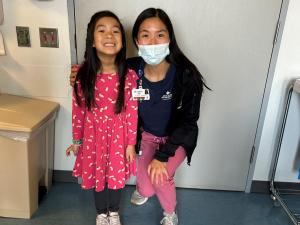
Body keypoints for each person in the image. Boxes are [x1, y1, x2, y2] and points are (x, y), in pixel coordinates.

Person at [70, 8, 207, 225]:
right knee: (145, 186)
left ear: (170, 38)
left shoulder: (187, 75)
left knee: (160, 176)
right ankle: (145, 189)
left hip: (176, 140)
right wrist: (80, 71)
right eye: (145, 35)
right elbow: (105, 66)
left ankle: (170, 213)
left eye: (160, 34)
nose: (153, 42)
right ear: (136, 40)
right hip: (148, 138)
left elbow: (189, 123)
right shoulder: (132, 70)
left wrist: (163, 157)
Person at [66, 10, 138, 225]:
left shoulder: (130, 76)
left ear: (122, 43)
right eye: (102, 30)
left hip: (119, 138)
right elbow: (78, 111)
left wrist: (130, 144)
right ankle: (101, 213)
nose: (109, 35)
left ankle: (113, 212)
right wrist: (77, 141)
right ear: (93, 42)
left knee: (115, 178)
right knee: (97, 176)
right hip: (92, 138)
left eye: (116, 31)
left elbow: (132, 111)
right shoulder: (81, 75)